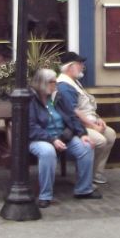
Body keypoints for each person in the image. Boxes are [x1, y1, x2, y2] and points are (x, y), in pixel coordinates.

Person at [26, 68, 100, 207]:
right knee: (48, 152)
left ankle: (83, 190)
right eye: (53, 82)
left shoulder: (58, 96)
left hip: (63, 136)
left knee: (86, 146)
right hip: (40, 139)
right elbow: (31, 127)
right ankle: (45, 196)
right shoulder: (30, 100)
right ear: (43, 83)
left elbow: (72, 117)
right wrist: (52, 139)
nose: (56, 85)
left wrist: (82, 134)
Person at [56, 51, 115, 186]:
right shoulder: (64, 86)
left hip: (87, 122)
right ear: (70, 67)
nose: (82, 66)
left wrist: (97, 119)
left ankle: (95, 173)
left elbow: (86, 106)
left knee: (110, 135)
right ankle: (84, 176)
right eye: (79, 64)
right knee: (99, 140)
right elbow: (73, 112)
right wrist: (92, 126)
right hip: (74, 126)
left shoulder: (74, 82)